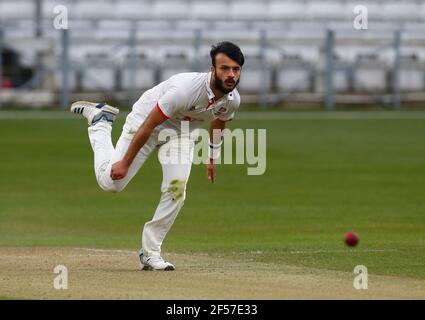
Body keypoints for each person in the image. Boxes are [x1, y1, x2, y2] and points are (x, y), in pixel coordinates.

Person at [70, 41, 244, 271]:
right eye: (224, 68)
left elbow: (219, 122)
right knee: (112, 183)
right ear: (212, 70)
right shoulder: (186, 90)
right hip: (147, 123)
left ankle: (151, 253)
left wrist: (212, 157)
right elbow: (149, 124)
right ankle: (100, 122)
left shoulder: (233, 99)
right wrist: (124, 162)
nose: (231, 74)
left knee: (176, 190)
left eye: (236, 69)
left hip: (180, 134)